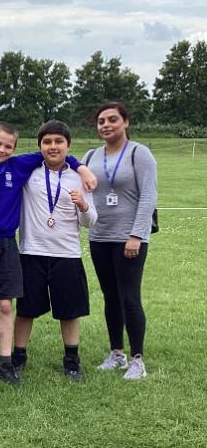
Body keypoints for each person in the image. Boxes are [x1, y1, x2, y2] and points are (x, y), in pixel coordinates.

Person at [0, 122, 95, 385]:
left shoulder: (18, 166)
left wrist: (80, 166)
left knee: (5, 305)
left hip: (8, 245)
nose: (2, 149)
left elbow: (55, 153)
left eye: (8, 146)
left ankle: (7, 362)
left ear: (15, 149)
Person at [13, 120, 97, 381]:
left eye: (59, 141)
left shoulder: (79, 178)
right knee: (25, 310)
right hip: (32, 252)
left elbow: (90, 221)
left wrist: (83, 206)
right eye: (47, 142)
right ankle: (18, 357)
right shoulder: (29, 173)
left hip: (67, 255)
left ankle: (71, 360)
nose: (53, 146)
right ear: (40, 146)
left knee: (69, 312)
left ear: (68, 145)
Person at [86, 102, 157, 380]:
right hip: (99, 236)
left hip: (129, 239)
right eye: (101, 121)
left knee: (129, 297)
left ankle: (137, 360)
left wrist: (136, 235)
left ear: (125, 122)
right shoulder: (91, 156)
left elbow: (148, 196)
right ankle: (117, 353)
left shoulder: (139, 153)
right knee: (110, 297)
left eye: (112, 119)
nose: (106, 125)